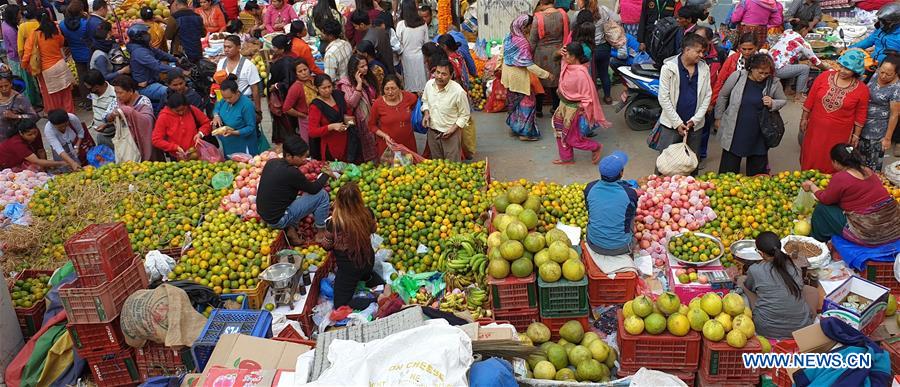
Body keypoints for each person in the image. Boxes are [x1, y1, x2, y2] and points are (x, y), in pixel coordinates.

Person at [803, 144, 900, 245]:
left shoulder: (841, 177)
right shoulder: (867, 170)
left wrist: (811, 185)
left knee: (822, 209)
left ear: (836, 162)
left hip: (869, 232)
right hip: (893, 223)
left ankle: (816, 242)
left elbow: (825, 199)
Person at [321, 181, 392, 309]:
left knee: (340, 303)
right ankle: (385, 285)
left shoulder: (335, 222)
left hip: (349, 267)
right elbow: (373, 229)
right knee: (365, 275)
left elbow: (326, 245)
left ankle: (377, 298)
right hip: (367, 260)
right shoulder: (367, 213)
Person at [714, 53, 787, 175]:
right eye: (760, 72)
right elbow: (723, 95)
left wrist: (773, 103)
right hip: (735, 129)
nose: (763, 76)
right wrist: (718, 117)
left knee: (757, 172)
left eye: (766, 73)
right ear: (751, 68)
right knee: (728, 170)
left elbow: (783, 100)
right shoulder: (737, 77)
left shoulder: (773, 83)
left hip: (759, 132)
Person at [800, 50, 870, 174]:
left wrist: (856, 135)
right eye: (842, 66)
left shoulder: (862, 90)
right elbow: (811, 98)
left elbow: (861, 114)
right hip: (815, 128)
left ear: (856, 71)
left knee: (834, 158)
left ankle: (830, 188)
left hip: (840, 132)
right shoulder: (824, 76)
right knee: (811, 154)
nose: (843, 70)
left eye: (847, 69)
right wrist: (804, 118)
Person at [257, 136, 333, 245]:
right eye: (301, 157)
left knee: (299, 196)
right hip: (278, 219)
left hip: (265, 215)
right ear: (289, 156)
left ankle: (290, 230)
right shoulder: (292, 172)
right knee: (322, 195)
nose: (305, 159)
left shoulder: (272, 162)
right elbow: (314, 189)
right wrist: (326, 174)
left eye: (306, 156)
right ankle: (321, 233)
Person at [740, 231, 814, 339]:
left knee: (742, 284)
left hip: (766, 329)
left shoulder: (755, 270)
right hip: (801, 328)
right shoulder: (795, 266)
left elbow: (749, 287)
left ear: (761, 253)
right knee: (811, 292)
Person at [656, 33, 711, 174]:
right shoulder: (669, 68)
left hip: (695, 125)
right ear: (687, 50)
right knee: (665, 163)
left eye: (703, 52)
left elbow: (707, 96)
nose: (701, 55)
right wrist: (677, 123)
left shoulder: (704, 68)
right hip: (671, 124)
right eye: (698, 51)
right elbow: (663, 98)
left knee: (691, 162)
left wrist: (695, 119)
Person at [553, 43, 606, 165]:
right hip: (563, 105)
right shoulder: (567, 64)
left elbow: (588, 96)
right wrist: (558, 52)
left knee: (572, 139)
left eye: (567, 55)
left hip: (574, 109)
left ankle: (595, 146)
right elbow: (555, 58)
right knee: (559, 132)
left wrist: (583, 110)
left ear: (573, 57)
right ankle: (566, 158)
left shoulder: (582, 74)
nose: (564, 57)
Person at [502, 15, 551, 141]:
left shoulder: (509, 37)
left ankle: (515, 127)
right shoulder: (522, 42)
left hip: (509, 75)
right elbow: (528, 64)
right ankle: (525, 132)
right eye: (529, 26)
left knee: (515, 102)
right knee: (527, 103)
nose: (531, 28)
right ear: (524, 26)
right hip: (519, 77)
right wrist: (546, 74)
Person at [584, 151, 638, 256]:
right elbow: (631, 215)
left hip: (594, 244)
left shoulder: (590, 188)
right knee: (630, 215)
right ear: (621, 173)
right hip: (621, 247)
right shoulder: (630, 193)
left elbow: (589, 210)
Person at [23, 11, 76, 114]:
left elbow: (27, 54)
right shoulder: (56, 31)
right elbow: (61, 43)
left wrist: (25, 66)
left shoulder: (35, 34)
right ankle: (70, 117)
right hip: (61, 66)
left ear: (37, 20)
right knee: (67, 96)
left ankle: (58, 120)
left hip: (47, 71)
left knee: (53, 99)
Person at [126, 24, 181, 112]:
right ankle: (158, 114)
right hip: (146, 86)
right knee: (170, 92)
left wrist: (175, 59)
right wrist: (177, 70)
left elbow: (160, 53)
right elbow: (157, 66)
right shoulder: (139, 52)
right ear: (139, 37)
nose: (148, 35)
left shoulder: (145, 46)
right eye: (145, 34)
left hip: (153, 80)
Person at [421, 60, 470, 161]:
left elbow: (464, 115)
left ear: (451, 75)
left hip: (451, 135)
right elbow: (425, 101)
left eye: (444, 74)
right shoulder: (429, 85)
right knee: (436, 165)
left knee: (452, 166)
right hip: (432, 133)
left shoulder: (458, 92)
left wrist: (452, 130)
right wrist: (426, 114)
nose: (439, 76)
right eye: (437, 72)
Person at [769, 21, 829, 101]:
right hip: (777, 70)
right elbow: (815, 61)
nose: (807, 33)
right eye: (807, 31)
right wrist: (827, 69)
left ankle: (788, 89)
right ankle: (799, 95)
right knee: (805, 68)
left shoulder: (787, 32)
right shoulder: (802, 42)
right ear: (804, 29)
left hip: (768, 64)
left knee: (794, 60)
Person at [105, 75, 159, 161]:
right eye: (116, 92)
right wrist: (112, 115)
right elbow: (106, 118)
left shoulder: (144, 101)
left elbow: (148, 122)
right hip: (126, 141)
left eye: (120, 93)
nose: (118, 96)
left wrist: (128, 111)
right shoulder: (116, 102)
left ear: (130, 91)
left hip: (141, 141)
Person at [859, 56, 900, 171]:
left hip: (878, 129)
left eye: (888, 74)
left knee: (872, 165)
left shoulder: (896, 88)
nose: (883, 76)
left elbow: (894, 115)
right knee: (857, 161)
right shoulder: (875, 74)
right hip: (862, 124)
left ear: (896, 74)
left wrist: (887, 138)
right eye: (881, 71)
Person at [336, 55, 379, 163]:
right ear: (354, 68)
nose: (365, 68)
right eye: (361, 66)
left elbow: (376, 93)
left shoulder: (369, 78)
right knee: (363, 145)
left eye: (366, 65)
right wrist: (359, 85)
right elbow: (351, 103)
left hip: (373, 115)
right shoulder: (346, 83)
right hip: (358, 120)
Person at [529, 0, 568, 116]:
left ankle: (539, 110)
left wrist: (528, 55)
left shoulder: (538, 18)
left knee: (539, 82)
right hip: (558, 52)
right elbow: (567, 33)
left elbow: (532, 40)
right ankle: (555, 108)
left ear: (541, 3)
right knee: (556, 80)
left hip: (541, 54)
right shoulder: (563, 15)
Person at [152, 92, 212, 159]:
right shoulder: (163, 117)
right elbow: (156, 140)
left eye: (183, 109)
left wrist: (200, 133)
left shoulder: (192, 110)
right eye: (177, 111)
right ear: (170, 108)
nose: (181, 112)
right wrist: (174, 147)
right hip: (176, 156)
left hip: (197, 153)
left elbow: (207, 123)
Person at [369, 75, 418, 156]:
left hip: (408, 144)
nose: (390, 92)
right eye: (387, 89)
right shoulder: (378, 104)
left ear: (399, 88)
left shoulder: (409, 97)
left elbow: (415, 106)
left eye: (393, 88)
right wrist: (385, 135)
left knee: (411, 167)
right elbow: (371, 125)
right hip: (389, 146)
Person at [212, 75, 258, 157]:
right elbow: (217, 108)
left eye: (230, 97)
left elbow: (251, 127)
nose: (227, 100)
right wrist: (216, 116)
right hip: (228, 144)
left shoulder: (246, 105)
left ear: (237, 93)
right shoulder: (225, 100)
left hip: (243, 145)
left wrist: (233, 132)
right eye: (224, 98)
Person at [308, 73, 351, 161]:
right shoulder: (316, 106)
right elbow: (312, 132)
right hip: (330, 144)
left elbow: (347, 112)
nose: (327, 90)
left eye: (329, 86)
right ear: (317, 89)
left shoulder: (338, 95)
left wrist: (349, 121)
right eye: (324, 88)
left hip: (347, 140)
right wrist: (331, 127)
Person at [217, 35, 262, 118]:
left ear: (238, 47)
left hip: (244, 104)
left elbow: (255, 89)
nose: (226, 50)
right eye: (225, 47)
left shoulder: (249, 66)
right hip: (226, 104)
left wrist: (258, 111)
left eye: (229, 47)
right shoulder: (221, 63)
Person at [711, 33, 758, 109]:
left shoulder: (763, 61)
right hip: (733, 99)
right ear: (739, 47)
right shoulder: (732, 59)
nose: (747, 52)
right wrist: (713, 101)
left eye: (750, 49)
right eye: (744, 49)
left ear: (756, 47)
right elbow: (721, 80)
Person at [60, 1, 92, 108]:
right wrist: (88, 17)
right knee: (92, 77)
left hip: (76, 54)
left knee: (82, 78)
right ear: (81, 11)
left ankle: (86, 101)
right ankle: (95, 100)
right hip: (88, 53)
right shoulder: (85, 23)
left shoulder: (62, 25)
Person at [0, 120, 66, 171]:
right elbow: (36, 160)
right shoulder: (16, 143)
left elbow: (40, 150)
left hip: (23, 158)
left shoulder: (36, 132)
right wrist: (61, 163)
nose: (34, 136)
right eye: (29, 135)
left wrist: (44, 167)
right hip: (6, 161)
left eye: (35, 133)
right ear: (21, 133)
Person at [396, 0, 429, 93]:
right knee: (422, 82)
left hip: (406, 57)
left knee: (409, 82)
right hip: (420, 57)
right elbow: (426, 43)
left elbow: (398, 44)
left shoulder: (401, 25)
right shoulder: (423, 24)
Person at [13, 5, 41, 108]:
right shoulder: (40, 23)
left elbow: (20, 49)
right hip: (45, 56)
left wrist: (23, 62)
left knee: (35, 81)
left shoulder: (22, 27)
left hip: (31, 59)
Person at [284, 60, 316, 147]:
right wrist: (303, 116)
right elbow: (286, 108)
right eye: (300, 71)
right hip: (306, 120)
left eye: (305, 70)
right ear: (296, 74)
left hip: (319, 118)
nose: (304, 73)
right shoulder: (296, 87)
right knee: (310, 145)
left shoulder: (314, 81)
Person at [83, 70, 117, 147]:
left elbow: (117, 117)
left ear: (96, 87)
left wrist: (105, 125)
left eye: (89, 88)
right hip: (100, 133)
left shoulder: (114, 95)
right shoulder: (93, 93)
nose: (88, 90)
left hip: (113, 135)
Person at [0, 73, 38, 143]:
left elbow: (34, 117)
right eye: (0, 87)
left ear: (11, 84)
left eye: (6, 85)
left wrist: (16, 116)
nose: (4, 88)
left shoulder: (20, 99)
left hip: (16, 139)